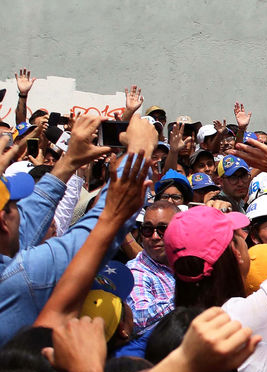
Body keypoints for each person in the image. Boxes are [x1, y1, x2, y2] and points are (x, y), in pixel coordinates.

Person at [0, 115, 154, 345]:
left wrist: (69, 161)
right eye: (15, 206)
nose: (23, 211)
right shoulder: (23, 278)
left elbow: (27, 222)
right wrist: (139, 152)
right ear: (4, 221)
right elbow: (105, 222)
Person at [125, 201, 180, 344]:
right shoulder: (137, 270)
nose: (155, 236)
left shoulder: (189, 263)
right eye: (148, 229)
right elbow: (138, 319)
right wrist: (184, 296)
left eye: (163, 229)